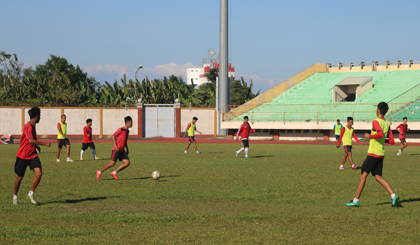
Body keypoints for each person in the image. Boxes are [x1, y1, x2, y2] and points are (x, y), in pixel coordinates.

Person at [346, 102, 399, 207]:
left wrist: (369, 136)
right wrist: (382, 139)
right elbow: (392, 141)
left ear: (378, 110)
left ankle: (356, 201)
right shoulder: (386, 124)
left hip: (373, 153)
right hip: (381, 154)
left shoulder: (376, 122)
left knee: (363, 175)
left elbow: (379, 134)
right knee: (378, 177)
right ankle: (393, 196)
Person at [13, 107, 51, 205]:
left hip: (32, 155)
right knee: (20, 177)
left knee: (39, 173)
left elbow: (30, 142)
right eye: (40, 116)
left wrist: (36, 146)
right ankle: (15, 196)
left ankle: (30, 193)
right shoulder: (28, 126)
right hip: (22, 155)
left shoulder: (32, 127)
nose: (40, 118)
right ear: (36, 116)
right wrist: (44, 144)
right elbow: (30, 140)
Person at [96, 116, 132, 180]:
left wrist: (127, 148)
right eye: (131, 123)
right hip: (116, 150)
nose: (132, 124)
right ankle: (99, 172)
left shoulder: (127, 131)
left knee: (127, 163)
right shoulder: (121, 129)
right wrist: (115, 146)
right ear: (127, 122)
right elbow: (113, 136)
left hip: (122, 150)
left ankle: (114, 172)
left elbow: (125, 140)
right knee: (112, 164)